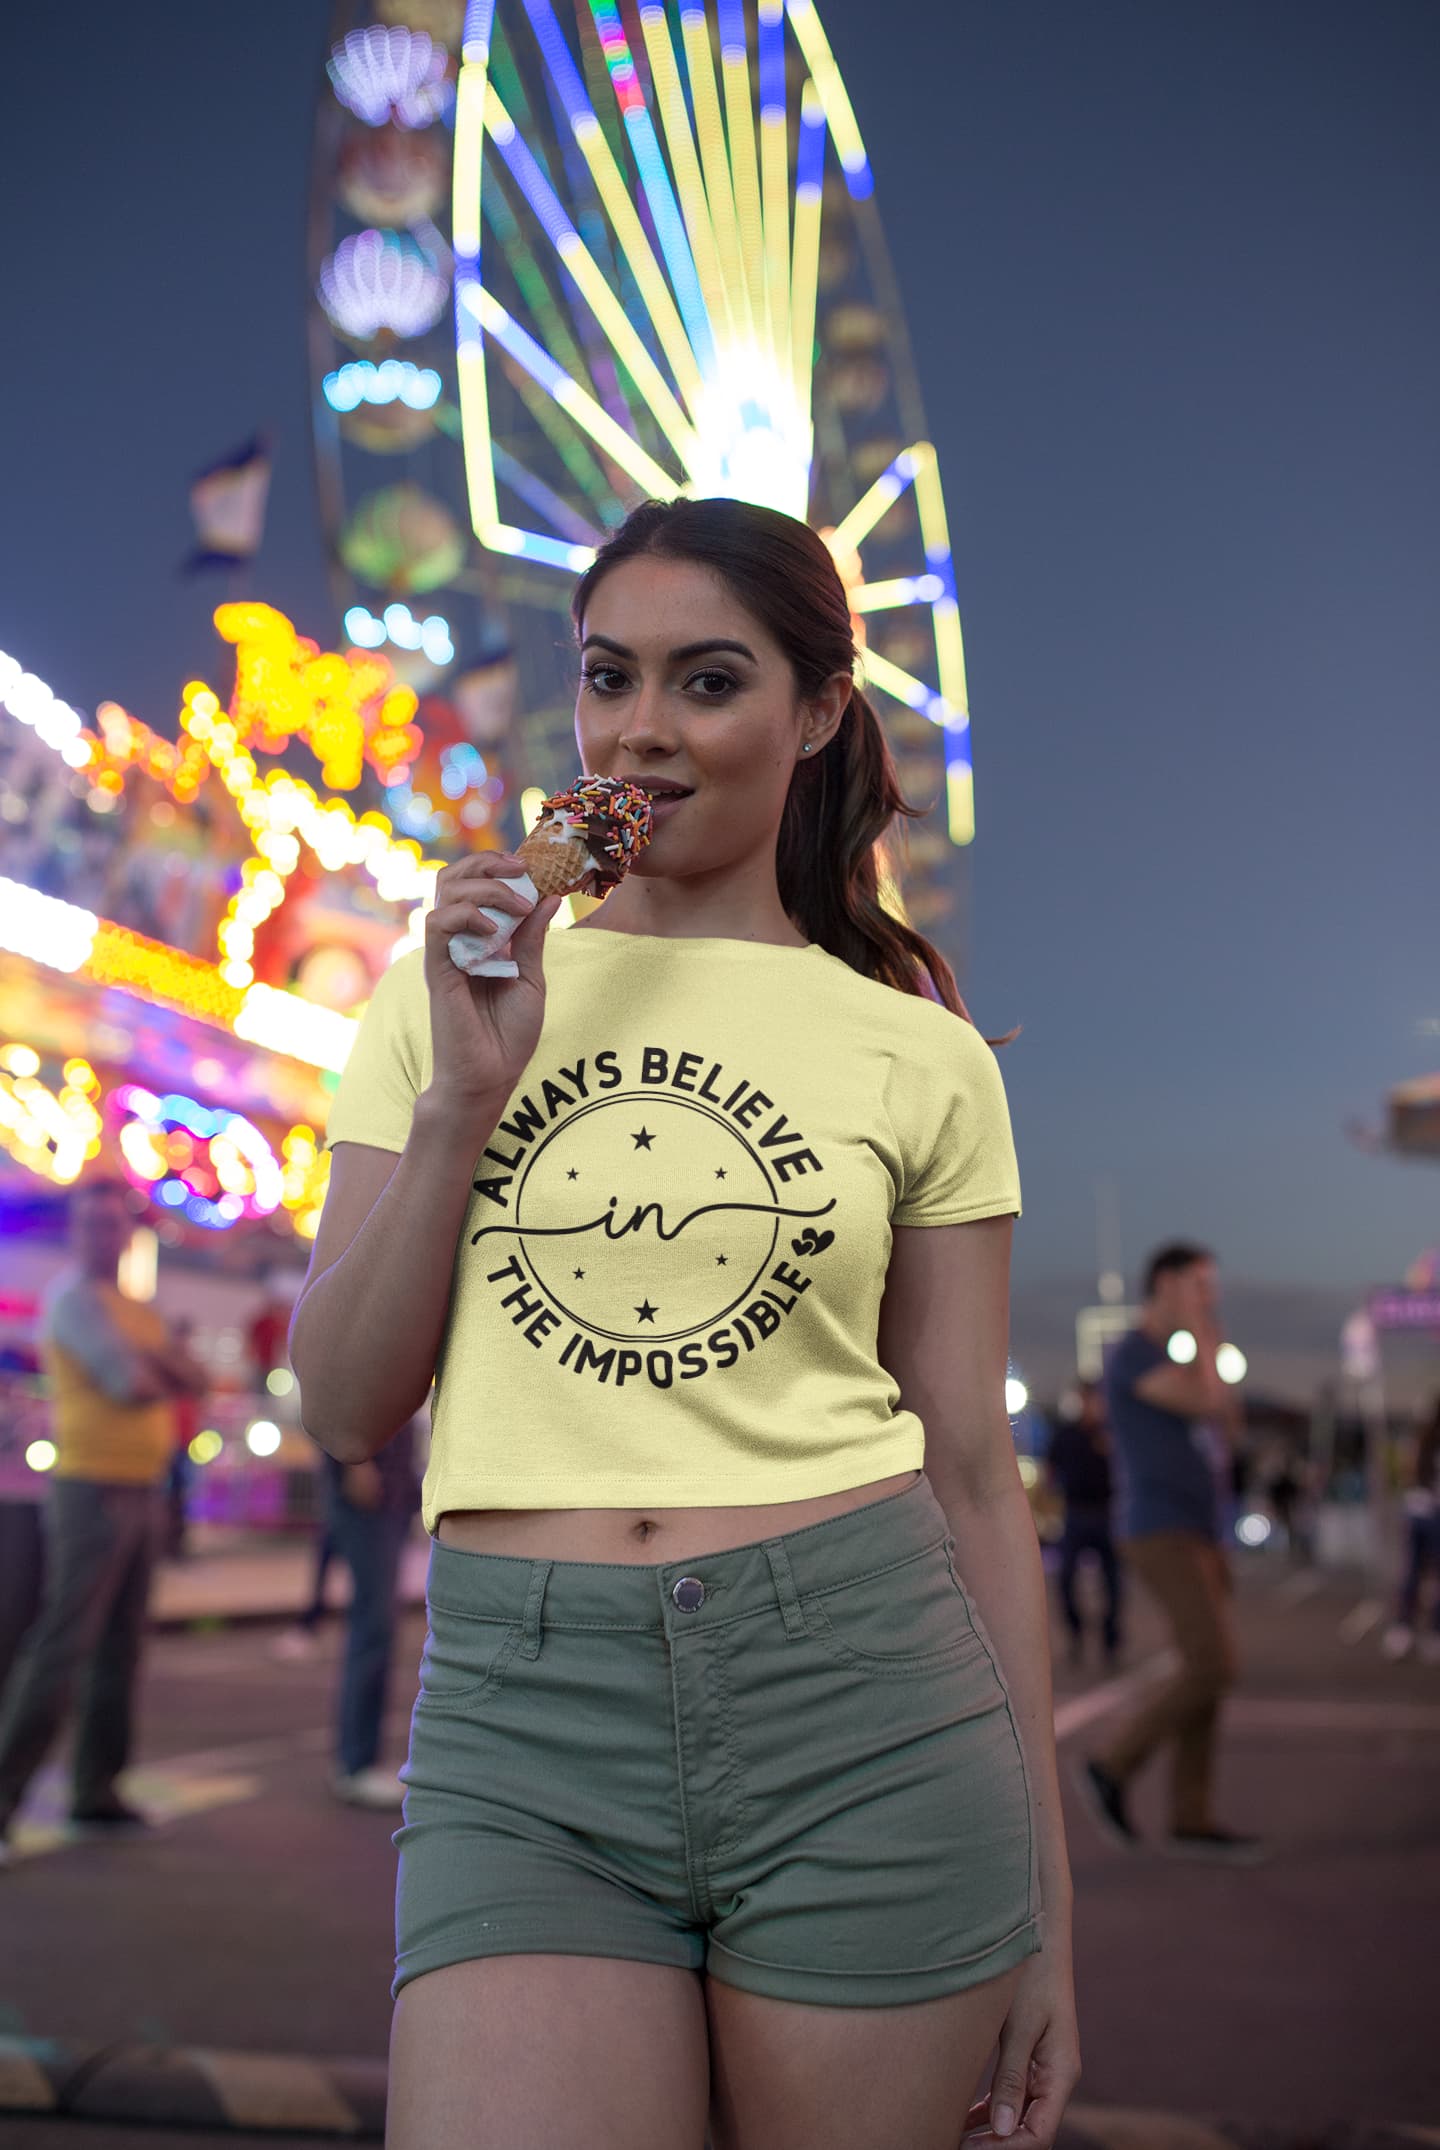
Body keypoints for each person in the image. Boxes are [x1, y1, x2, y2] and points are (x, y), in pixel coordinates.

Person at [291, 498, 1080, 2149]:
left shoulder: (922, 1055)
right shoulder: (433, 998)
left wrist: (1047, 1912)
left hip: (865, 1690)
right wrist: (466, 1098)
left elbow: (976, 1484)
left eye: (708, 681)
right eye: (607, 677)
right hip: (526, 1702)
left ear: (812, 715)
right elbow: (343, 1405)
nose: (642, 728)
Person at [0, 1178, 206, 1864]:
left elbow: (194, 1375)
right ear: (75, 1231)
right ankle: (4, 1801)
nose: (101, 1235)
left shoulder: (133, 1307)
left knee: (120, 1651)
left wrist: (162, 1360)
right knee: (63, 1646)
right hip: (90, 1489)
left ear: (128, 1232)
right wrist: (162, 1361)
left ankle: (98, 1794)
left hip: (143, 1488)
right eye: (89, 1224)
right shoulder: (73, 1301)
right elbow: (135, 1384)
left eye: (112, 1223)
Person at [1077, 1242, 1262, 1862]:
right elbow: (1208, 1402)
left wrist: (1202, 1344)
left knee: (1205, 1668)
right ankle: (1111, 1764)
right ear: (1165, 1283)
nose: (1210, 1297)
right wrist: (1205, 1335)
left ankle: (1192, 1814)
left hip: (1198, 1527)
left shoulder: (1174, 1358)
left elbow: (1228, 1424)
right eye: (1199, 1285)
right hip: (1158, 1527)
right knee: (1213, 1663)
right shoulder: (1133, 1353)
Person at [323, 1412, 423, 1806]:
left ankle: (361, 1760)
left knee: (378, 1628)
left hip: (392, 1489)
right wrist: (355, 1463)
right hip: (370, 1492)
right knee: (373, 1627)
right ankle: (356, 1764)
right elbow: (329, 1388)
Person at [1045, 1382, 1121, 1668]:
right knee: (1065, 1580)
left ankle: (1111, 1639)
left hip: (1106, 1514)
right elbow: (1051, 1470)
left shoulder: (1112, 1433)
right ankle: (1076, 1634)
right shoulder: (1066, 1434)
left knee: (1113, 1584)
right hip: (1075, 1514)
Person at [1381, 1393, 1440, 1662]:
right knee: (1420, 1575)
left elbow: (1407, 1474)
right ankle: (1418, 1631)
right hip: (1427, 1514)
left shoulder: (1421, 1438)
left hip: (1418, 1511)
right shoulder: (1424, 1440)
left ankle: (1406, 1629)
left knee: (1414, 1574)